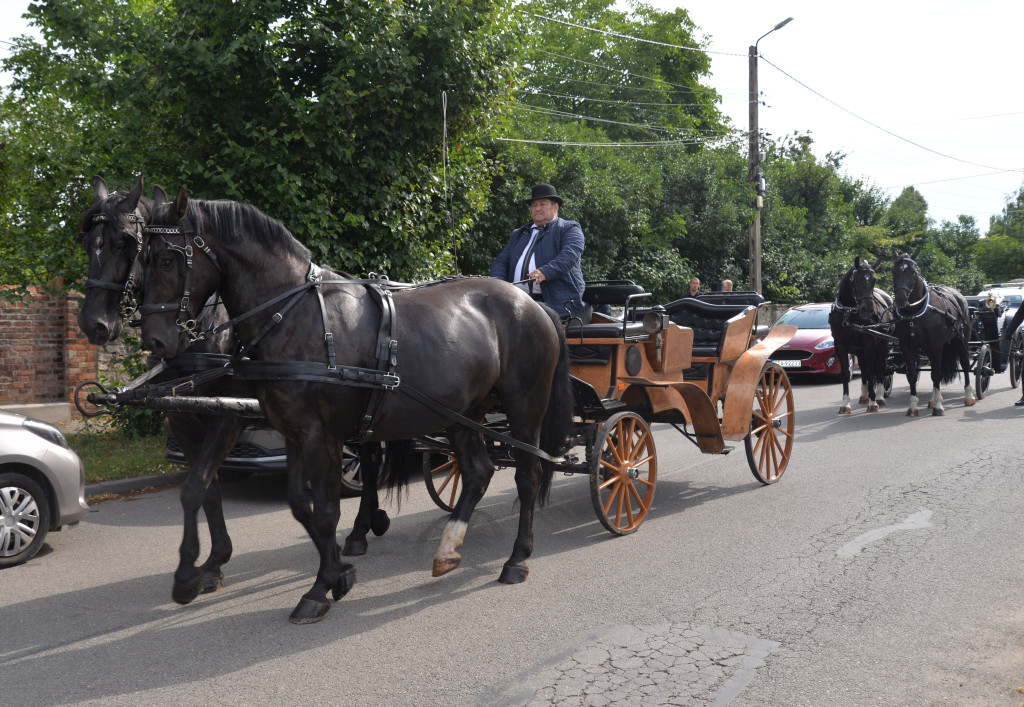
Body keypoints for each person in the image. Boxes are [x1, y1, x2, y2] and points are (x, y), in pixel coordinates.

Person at [490, 184, 585, 318]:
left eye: (542, 204)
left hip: (556, 304)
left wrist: (545, 272)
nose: (537, 208)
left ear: (555, 207)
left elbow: (570, 255)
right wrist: (497, 284)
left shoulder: (569, 228)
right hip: (517, 301)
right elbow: (501, 261)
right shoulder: (519, 233)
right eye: (534, 205)